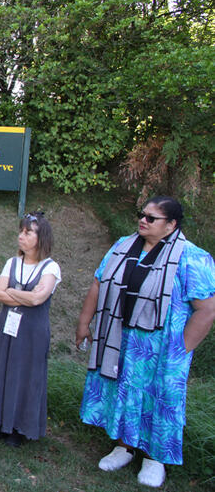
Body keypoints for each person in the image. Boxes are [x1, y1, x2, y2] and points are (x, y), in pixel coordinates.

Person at [76, 196, 215, 487]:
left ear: (171, 225)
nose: (143, 220)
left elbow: (207, 310)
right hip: (122, 340)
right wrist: (84, 322)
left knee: (160, 400)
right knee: (122, 391)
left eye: (152, 218)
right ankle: (124, 446)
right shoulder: (123, 246)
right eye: (142, 214)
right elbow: (99, 283)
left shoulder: (192, 258)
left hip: (163, 350)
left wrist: (181, 350)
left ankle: (155, 459)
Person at [0, 213, 60, 447]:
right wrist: (24, 295)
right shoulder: (12, 263)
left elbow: (38, 299)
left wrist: (12, 292)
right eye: (21, 231)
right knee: (3, 370)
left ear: (40, 237)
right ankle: (0, 423)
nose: (21, 236)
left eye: (27, 232)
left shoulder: (50, 267)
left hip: (32, 331)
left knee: (26, 375)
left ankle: (19, 428)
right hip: (7, 326)